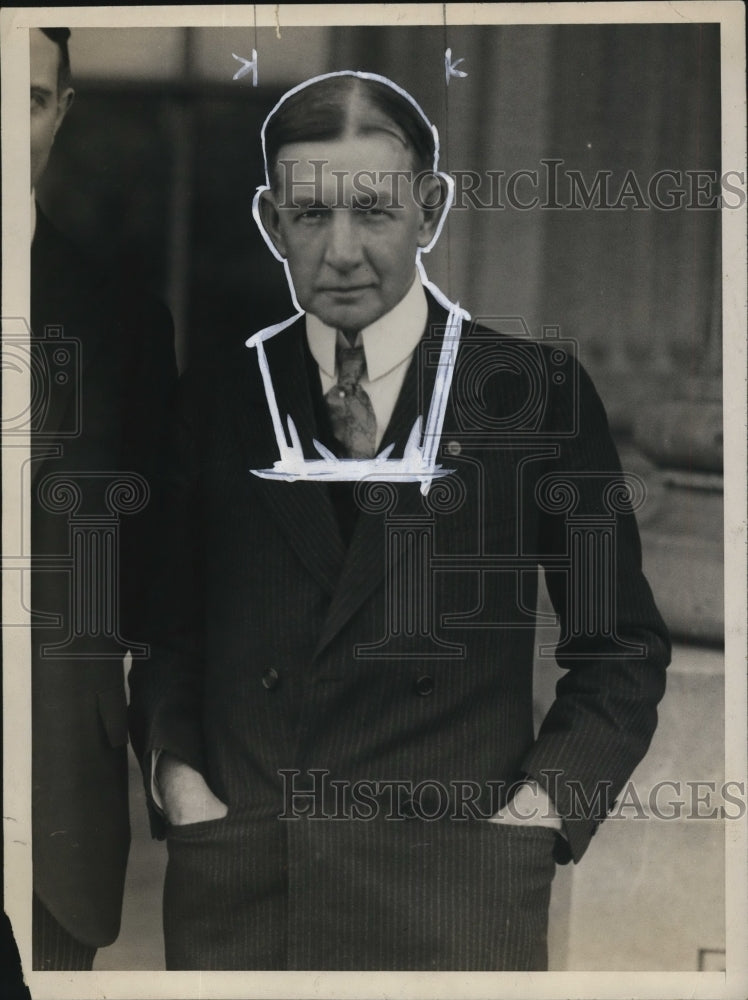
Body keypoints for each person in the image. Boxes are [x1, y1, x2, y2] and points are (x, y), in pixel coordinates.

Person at [128, 71, 670, 971]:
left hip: (454, 903)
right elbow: (164, 636)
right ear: (270, 222)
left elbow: (620, 650)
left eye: (373, 213)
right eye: (309, 217)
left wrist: (535, 817)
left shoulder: (536, 396)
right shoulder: (217, 400)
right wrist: (181, 785)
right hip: (251, 902)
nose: (341, 252)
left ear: (432, 208)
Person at [29, 27, 177, 970]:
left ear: (61, 113)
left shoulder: (122, 315)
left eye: (30, 101)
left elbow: (161, 576)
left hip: (55, 816)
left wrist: (174, 752)